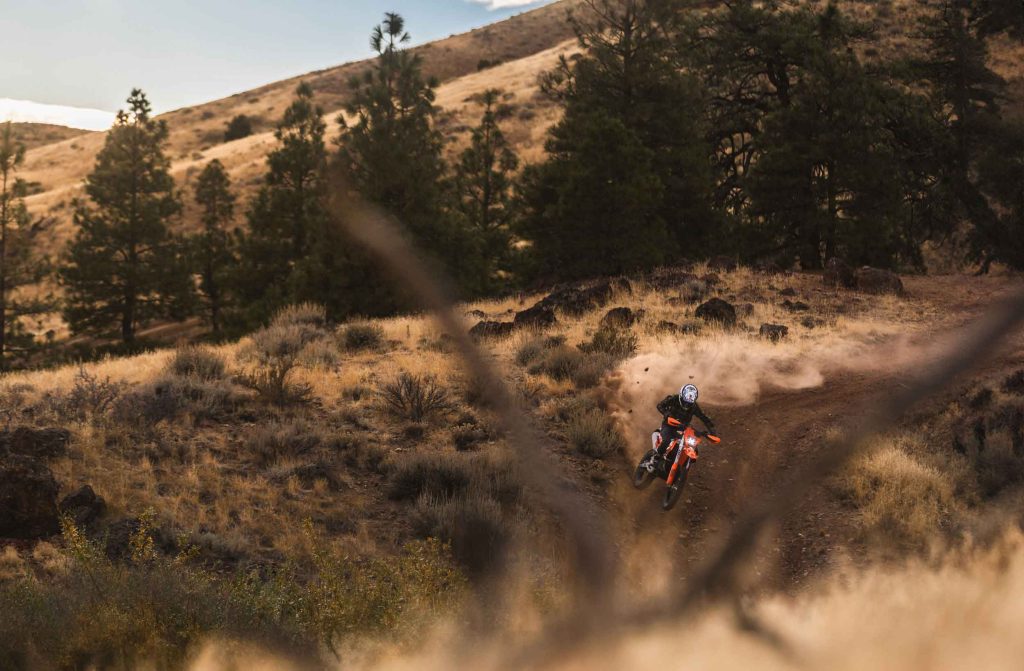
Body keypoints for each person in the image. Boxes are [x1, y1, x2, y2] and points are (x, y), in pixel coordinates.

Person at [651, 384, 715, 459]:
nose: (687, 404)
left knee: (693, 448)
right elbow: (660, 405)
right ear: (681, 395)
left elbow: (703, 418)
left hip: (683, 429)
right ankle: (656, 456)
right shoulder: (674, 398)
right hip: (669, 425)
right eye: (685, 401)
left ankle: (681, 466)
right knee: (667, 440)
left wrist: (712, 431)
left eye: (690, 402)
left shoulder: (694, 407)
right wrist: (666, 413)